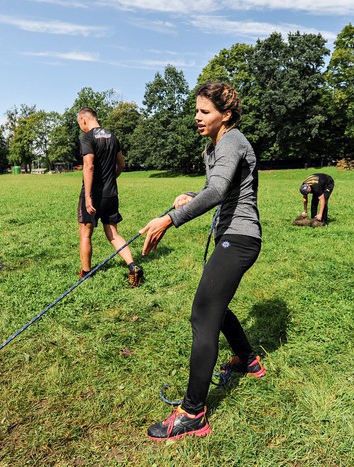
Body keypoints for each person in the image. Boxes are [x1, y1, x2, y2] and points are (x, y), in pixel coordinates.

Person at [139, 82, 264, 441]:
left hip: (240, 238)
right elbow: (219, 189)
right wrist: (191, 195)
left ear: (225, 115)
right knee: (215, 306)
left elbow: (219, 192)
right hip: (233, 236)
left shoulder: (233, 141)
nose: (197, 117)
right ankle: (247, 360)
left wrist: (169, 220)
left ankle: (193, 414)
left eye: (204, 111)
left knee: (203, 314)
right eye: (196, 110)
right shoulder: (216, 146)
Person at [76, 107, 143, 287]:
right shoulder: (112, 137)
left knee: (85, 232)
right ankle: (132, 265)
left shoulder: (87, 137)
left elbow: (88, 166)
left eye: (79, 123)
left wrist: (88, 197)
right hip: (111, 193)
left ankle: (85, 272)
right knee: (113, 232)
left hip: (94, 194)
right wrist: (112, 179)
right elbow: (121, 164)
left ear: (83, 120)